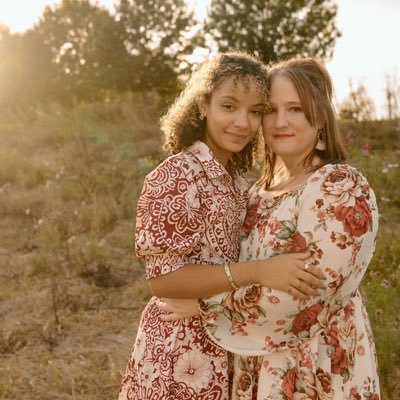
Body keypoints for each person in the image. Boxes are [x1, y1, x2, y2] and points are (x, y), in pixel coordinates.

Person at [159, 57, 380, 399]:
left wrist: (204, 306)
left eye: (294, 109)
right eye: (269, 110)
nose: (280, 122)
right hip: (256, 362)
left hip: (314, 363)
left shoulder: (338, 186)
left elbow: (308, 297)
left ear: (319, 116)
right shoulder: (256, 193)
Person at [118, 52, 325, 400]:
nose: (242, 122)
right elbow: (164, 280)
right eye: (229, 106)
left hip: (228, 337)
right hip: (180, 350)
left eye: (255, 111)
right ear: (203, 104)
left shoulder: (235, 181)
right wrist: (259, 271)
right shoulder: (178, 174)